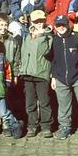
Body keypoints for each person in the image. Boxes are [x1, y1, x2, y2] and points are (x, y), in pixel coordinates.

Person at [51, 15, 78, 142]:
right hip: (60, 78)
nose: (61, 27)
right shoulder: (54, 40)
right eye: (58, 25)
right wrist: (53, 77)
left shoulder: (77, 38)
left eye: (63, 25)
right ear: (55, 27)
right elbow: (53, 61)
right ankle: (65, 126)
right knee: (63, 104)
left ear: (68, 25)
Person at [19, 10, 53, 138]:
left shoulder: (48, 36)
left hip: (41, 73)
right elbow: (23, 53)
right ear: (32, 22)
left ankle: (46, 126)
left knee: (44, 102)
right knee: (30, 103)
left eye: (41, 21)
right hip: (27, 73)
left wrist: (42, 36)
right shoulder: (26, 36)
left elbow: (47, 52)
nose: (39, 24)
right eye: (36, 21)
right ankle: (32, 126)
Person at [0, 13, 22, 134]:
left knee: (7, 100)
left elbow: (17, 58)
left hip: (8, 74)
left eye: (5, 25)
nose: (3, 27)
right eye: (1, 25)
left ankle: (6, 124)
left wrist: (16, 74)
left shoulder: (12, 39)